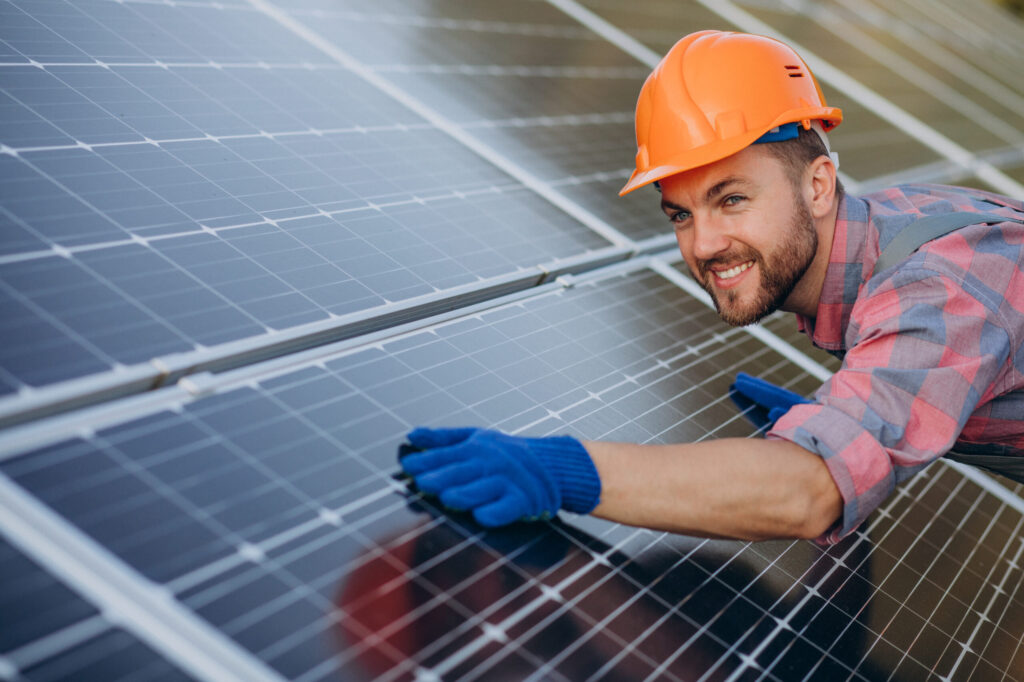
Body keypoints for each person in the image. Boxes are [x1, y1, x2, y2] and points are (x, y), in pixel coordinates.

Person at [398, 30, 1024, 545]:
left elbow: (809, 493)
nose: (702, 245)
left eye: (732, 199)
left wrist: (563, 472)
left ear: (818, 185)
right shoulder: (887, 225)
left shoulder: (937, 285)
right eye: (681, 214)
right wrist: (847, 407)